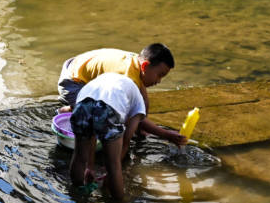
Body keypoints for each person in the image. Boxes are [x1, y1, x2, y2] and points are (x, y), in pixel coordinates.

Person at [57, 43, 186, 145]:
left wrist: (141, 128)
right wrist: (166, 134)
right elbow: (133, 114)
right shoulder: (126, 77)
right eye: (160, 75)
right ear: (145, 66)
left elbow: (143, 100)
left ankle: (71, 108)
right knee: (98, 115)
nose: (159, 81)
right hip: (73, 81)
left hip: (78, 66)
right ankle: (70, 110)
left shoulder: (137, 64)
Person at [69, 72, 145, 201]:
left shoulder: (111, 80)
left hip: (82, 104)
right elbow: (126, 141)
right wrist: (110, 174)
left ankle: (78, 195)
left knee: (79, 156)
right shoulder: (139, 106)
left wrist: (90, 167)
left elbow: (92, 134)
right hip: (108, 107)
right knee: (114, 165)